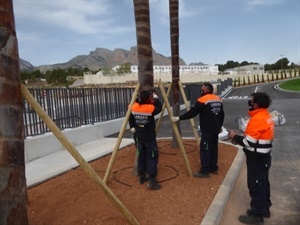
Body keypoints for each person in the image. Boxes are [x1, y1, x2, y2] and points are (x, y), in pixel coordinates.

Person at [228, 92, 274, 225]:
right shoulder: (265, 115)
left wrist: (234, 137)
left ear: (256, 104)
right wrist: (241, 138)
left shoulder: (258, 119)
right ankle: (264, 208)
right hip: (264, 156)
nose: (250, 103)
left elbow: (249, 142)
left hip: (257, 158)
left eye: (251, 101)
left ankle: (257, 216)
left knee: (256, 185)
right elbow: (255, 137)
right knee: (263, 182)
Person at [172, 82, 225, 178]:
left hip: (207, 129)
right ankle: (213, 167)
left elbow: (193, 112)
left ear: (207, 90)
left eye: (203, 88)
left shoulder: (203, 100)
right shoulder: (218, 99)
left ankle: (205, 171)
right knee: (214, 148)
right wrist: (220, 125)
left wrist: (179, 118)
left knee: (205, 149)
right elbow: (222, 115)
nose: (201, 90)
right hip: (216, 129)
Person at [129, 89, 162, 190]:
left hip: (139, 137)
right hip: (149, 137)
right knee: (152, 156)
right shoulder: (150, 108)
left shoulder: (134, 107)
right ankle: (152, 180)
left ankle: (141, 176)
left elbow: (130, 116)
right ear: (148, 99)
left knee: (141, 156)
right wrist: (155, 97)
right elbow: (159, 107)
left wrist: (132, 126)